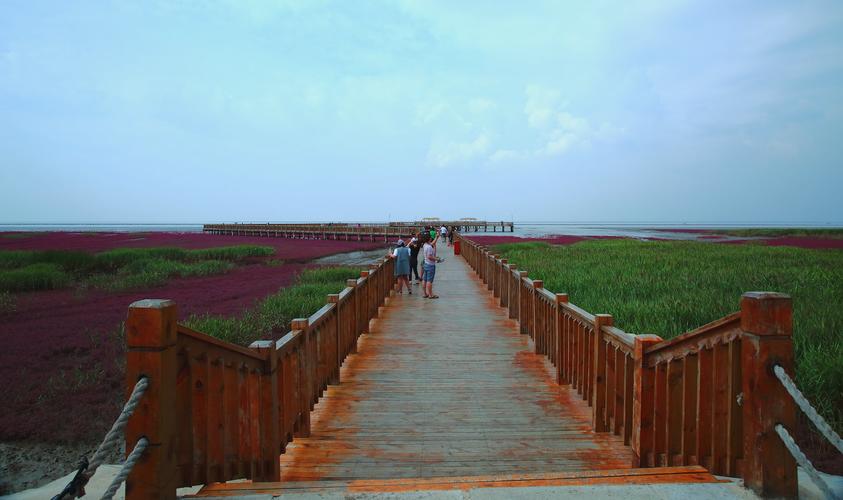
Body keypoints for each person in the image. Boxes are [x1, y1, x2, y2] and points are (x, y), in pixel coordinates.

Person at [422, 232, 439, 299]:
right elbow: (430, 257)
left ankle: (425, 293)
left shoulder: (425, 245)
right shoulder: (429, 247)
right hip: (430, 265)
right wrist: (437, 259)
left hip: (426, 264)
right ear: (429, 238)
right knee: (429, 280)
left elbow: (432, 244)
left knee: (424, 279)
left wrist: (437, 237)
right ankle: (430, 295)